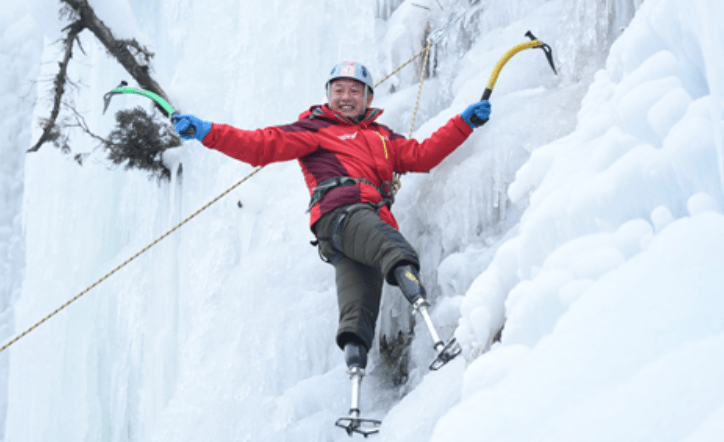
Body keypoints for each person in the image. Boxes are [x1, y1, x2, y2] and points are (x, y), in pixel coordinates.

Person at [173, 61, 490, 433]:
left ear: (368, 98)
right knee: (395, 251)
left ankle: (355, 408)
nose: (345, 97)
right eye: (338, 90)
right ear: (328, 95)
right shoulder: (314, 130)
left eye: (354, 91)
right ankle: (439, 342)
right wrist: (207, 131)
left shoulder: (384, 138)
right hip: (342, 213)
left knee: (358, 311)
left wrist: (463, 123)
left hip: (356, 229)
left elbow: (422, 156)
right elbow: (260, 145)